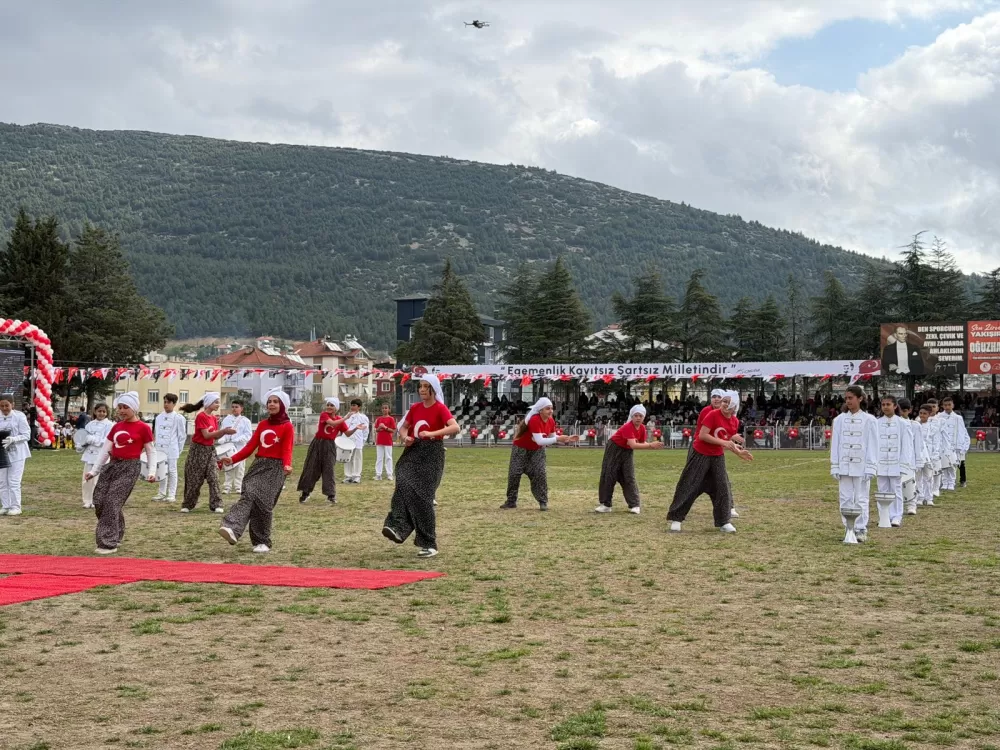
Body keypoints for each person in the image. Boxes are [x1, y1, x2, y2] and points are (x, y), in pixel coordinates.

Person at [381, 374, 459, 558]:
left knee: (422, 499)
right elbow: (403, 427)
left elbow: (455, 427)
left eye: (426, 386)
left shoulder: (440, 408)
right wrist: (404, 436)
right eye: (420, 386)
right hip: (414, 450)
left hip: (432, 453)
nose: (422, 389)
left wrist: (433, 433)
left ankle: (429, 544)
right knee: (402, 481)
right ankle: (397, 527)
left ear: (433, 389)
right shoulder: (415, 408)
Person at [218, 389, 295, 553]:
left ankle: (262, 542)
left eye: (275, 401)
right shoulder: (262, 425)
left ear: (282, 405)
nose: (271, 404)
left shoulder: (287, 426)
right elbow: (250, 447)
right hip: (259, 465)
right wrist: (233, 459)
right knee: (249, 494)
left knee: (264, 505)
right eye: (269, 401)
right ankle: (232, 528)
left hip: (276, 469)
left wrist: (287, 465)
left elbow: (287, 449)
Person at [84, 392, 157, 554]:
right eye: (120, 407)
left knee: (112, 501)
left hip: (130, 468)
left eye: (126, 407)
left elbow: (151, 451)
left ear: (134, 408)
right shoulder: (116, 427)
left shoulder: (144, 428)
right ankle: (117, 531)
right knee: (99, 500)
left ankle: (108, 542)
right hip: (112, 466)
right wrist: (94, 471)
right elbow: (105, 450)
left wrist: (152, 472)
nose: (122, 410)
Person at [668, 391, 750, 531]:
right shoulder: (712, 414)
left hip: (717, 456)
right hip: (700, 454)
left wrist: (738, 451)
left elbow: (726, 439)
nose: (724, 404)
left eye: (728, 402)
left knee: (722, 487)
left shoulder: (735, 422)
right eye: (724, 401)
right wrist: (724, 443)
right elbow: (703, 435)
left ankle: (723, 521)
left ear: (734, 405)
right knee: (689, 484)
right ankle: (676, 519)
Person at [500, 397, 578, 511]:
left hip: (537, 450)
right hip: (520, 449)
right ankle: (511, 501)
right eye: (547, 408)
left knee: (540, 473)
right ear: (540, 410)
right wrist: (558, 439)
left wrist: (566, 438)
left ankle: (543, 501)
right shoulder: (534, 420)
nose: (551, 411)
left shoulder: (551, 421)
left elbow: (552, 437)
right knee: (514, 474)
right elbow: (541, 440)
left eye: (551, 408)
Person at [830, 385, 878, 543]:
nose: (848, 401)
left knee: (861, 498)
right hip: (844, 465)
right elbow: (835, 444)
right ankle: (848, 527)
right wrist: (835, 465)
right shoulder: (839, 420)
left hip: (862, 466)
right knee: (845, 498)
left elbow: (873, 444)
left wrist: (871, 466)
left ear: (860, 398)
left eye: (851, 397)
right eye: (846, 398)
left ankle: (861, 528)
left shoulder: (870, 420)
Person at [594, 404, 662, 515]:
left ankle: (634, 505)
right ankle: (605, 504)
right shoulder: (627, 427)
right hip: (614, 449)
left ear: (644, 417)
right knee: (609, 475)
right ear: (632, 416)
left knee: (629, 476)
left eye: (640, 416)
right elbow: (634, 445)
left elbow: (641, 443)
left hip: (627, 451)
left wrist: (651, 445)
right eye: (636, 415)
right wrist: (651, 445)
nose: (638, 418)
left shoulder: (642, 429)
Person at [179, 392, 235, 514]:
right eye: (216, 402)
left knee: (213, 477)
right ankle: (188, 504)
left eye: (218, 402)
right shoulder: (201, 416)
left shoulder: (214, 418)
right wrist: (224, 431)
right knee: (194, 479)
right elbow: (206, 435)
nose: (218, 405)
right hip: (197, 451)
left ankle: (216, 504)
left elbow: (212, 438)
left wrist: (224, 432)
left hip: (209, 450)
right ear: (209, 403)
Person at [298, 397, 347, 504]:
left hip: (330, 445)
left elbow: (347, 433)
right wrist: (346, 418)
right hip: (318, 443)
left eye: (332, 405)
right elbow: (333, 423)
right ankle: (305, 493)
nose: (329, 407)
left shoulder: (339, 419)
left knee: (329, 469)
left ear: (336, 408)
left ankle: (331, 495)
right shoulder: (324, 415)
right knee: (311, 468)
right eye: (328, 405)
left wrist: (357, 428)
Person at [875, 396, 912, 528]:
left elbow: (906, 445)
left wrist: (904, 463)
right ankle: (884, 516)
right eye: (883, 404)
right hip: (881, 462)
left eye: (888, 404)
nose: (885, 407)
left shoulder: (903, 423)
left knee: (896, 489)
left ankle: (897, 516)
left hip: (896, 462)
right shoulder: (877, 422)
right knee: (882, 490)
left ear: (895, 406)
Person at [152, 394, 188, 503]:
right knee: (162, 470)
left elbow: (182, 436)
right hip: (160, 448)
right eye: (165, 402)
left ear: (174, 404)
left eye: (168, 402)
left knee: (172, 471)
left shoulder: (179, 418)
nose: (166, 404)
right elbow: (157, 433)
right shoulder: (158, 417)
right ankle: (161, 492)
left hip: (172, 448)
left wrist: (178, 449)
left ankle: (172, 494)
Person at [0, 395, 32, 517]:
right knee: (2, 481)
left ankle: (15, 506)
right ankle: (5, 505)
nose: (4, 408)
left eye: (6, 405)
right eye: (1, 406)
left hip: (17, 453)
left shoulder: (19, 416)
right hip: (2, 453)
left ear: (12, 404)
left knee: (13, 481)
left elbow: (26, 435)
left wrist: (14, 439)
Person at [80, 403, 113, 509]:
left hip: (101, 455)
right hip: (89, 455)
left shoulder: (109, 425)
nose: (101, 413)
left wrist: (93, 440)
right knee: (87, 479)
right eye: (99, 411)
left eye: (104, 411)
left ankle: (96, 500)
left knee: (98, 480)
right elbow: (84, 438)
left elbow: (107, 441)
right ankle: (87, 500)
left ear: (107, 413)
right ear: (95, 412)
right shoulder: (89, 424)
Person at [897, 398, 927, 516]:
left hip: (910, 459)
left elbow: (918, 444)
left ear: (909, 410)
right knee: (897, 484)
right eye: (900, 410)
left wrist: (919, 461)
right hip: (896, 458)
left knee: (911, 482)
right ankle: (897, 506)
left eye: (904, 411)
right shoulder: (894, 424)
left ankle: (911, 505)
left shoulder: (915, 425)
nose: (902, 413)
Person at [219, 400, 254, 496]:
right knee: (228, 465)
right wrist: (222, 440)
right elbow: (222, 431)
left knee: (240, 467)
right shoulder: (226, 419)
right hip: (228, 446)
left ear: (241, 408)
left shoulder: (245, 421)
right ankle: (227, 486)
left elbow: (248, 435)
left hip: (240, 447)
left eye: (236, 407)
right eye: (233, 407)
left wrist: (238, 439)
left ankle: (238, 486)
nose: (234, 409)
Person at [939, 397, 970, 490]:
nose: (947, 407)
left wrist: (961, 446)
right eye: (945, 405)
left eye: (949, 405)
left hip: (954, 445)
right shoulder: (939, 417)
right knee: (944, 465)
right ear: (942, 406)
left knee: (953, 465)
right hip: (943, 445)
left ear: (953, 405)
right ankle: (944, 482)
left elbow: (962, 432)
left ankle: (952, 482)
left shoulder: (958, 418)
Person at [343, 399, 370, 484]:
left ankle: (356, 476)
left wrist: (362, 441)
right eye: (352, 405)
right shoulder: (347, 416)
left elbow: (366, 431)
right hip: (348, 440)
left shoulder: (363, 417)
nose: (352, 407)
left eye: (354, 405)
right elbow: (344, 428)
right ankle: (348, 476)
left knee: (357, 458)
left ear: (359, 407)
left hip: (358, 441)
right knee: (347, 458)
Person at [915, 404, 937, 507]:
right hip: (918, 455)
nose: (922, 415)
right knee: (918, 477)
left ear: (929, 414)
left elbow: (936, 442)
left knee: (928, 477)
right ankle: (920, 497)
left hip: (929, 455)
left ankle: (929, 498)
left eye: (925, 413)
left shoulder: (933, 427)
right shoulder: (914, 425)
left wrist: (934, 455)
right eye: (921, 413)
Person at [374, 403, 397, 481]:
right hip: (380, 440)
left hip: (388, 441)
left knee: (388, 457)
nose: (384, 409)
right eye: (383, 408)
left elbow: (393, 430)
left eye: (386, 408)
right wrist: (380, 427)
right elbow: (376, 430)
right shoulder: (379, 419)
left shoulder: (391, 419)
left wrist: (385, 427)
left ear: (389, 409)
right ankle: (378, 474)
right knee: (379, 458)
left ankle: (389, 474)